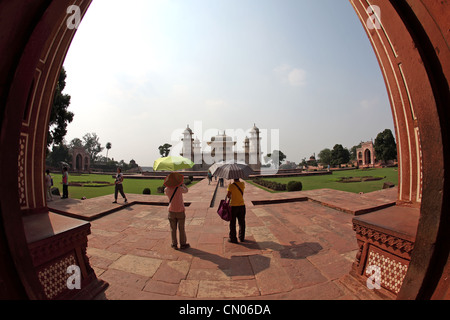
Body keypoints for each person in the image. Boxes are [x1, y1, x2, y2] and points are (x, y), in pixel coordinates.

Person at [164, 172, 190, 250]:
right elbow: (186, 190)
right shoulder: (179, 188)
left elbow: (165, 191)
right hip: (180, 210)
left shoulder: (167, 189)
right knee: (181, 228)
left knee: (173, 229)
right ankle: (183, 244)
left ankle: (174, 244)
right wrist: (183, 184)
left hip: (171, 211)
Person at [226, 178, 246, 243]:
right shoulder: (242, 184)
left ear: (233, 178)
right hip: (241, 206)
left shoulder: (231, 186)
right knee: (242, 222)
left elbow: (228, 196)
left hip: (233, 206)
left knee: (232, 223)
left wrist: (229, 186)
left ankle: (233, 239)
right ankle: (241, 237)